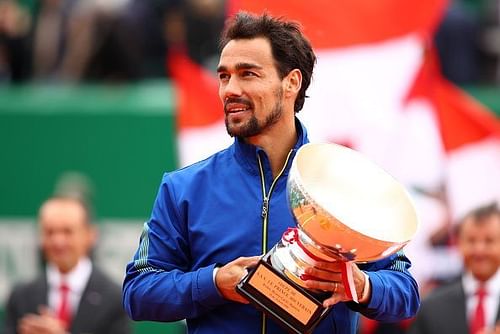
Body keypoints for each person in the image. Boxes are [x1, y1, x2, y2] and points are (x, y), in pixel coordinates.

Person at [123, 11, 420, 334]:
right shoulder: (183, 188)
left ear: (291, 82)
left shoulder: (345, 181)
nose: (229, 89)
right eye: (223, 76)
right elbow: (139, 291)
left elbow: (405, 291)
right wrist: (213, 282)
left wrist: (361, 285)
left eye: (248, 74)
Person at [3, 196, 131, 334]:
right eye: (49, 232)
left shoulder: (114, 298)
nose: (58, 241)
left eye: (67, 232)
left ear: (90, 235)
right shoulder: (21, 296)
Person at [408, 202, 500, 334]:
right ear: (458, 244)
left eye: (489, 241)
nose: (479, 250)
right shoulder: (431, 307)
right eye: (471, 240)